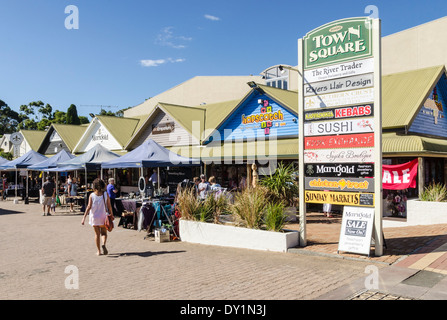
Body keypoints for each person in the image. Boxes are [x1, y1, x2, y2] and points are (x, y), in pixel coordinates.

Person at [81, 178, 114, 256]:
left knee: (97, 234)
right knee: (104, 233)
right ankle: (103, 244)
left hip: (94, 217)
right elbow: (109, 206)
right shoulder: (106, 194)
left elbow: (88, 207)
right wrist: (111, 214)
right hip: (103, 217)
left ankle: (99, 251)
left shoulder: (91, 195)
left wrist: (84, 217)